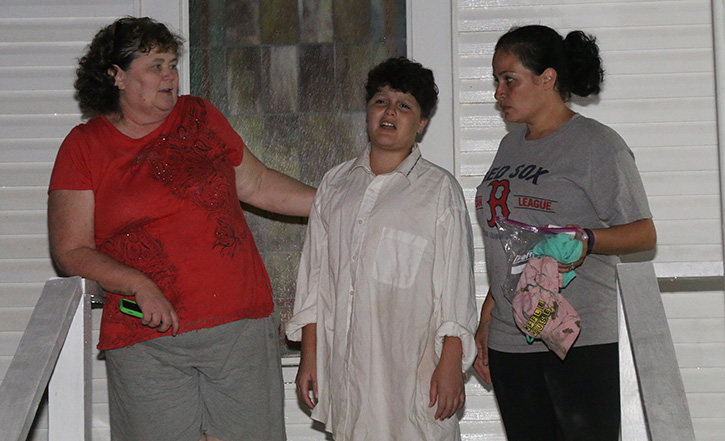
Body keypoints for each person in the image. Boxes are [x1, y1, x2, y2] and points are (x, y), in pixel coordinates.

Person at [47, 17, 315, 441]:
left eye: (172, 64)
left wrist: (339, 203)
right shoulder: (84, 146)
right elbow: (71, 250)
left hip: (238, 325)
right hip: (148, 337)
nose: (170, 75)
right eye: (155, 66)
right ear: (117, 75)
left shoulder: (200, 116)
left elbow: (258, 184)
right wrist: (137, 283)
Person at [472, 25, 657, 441]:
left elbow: (644, 234)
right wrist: (487, 318)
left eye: (509, 80)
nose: (499, 93)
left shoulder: (597, 145)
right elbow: (507, 242)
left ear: (547, 78)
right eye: (496, 81)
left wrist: (587, 239)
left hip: (579, 337)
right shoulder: (509, 148)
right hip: (510, 339)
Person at [285, 57, 478, 441]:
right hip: (348, 371)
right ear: (368, 112)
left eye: (404, 105)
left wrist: (452, 364)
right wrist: (310, 354)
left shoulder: (439, 191)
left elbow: (456, 285)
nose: (390, 112)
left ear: (421, 123)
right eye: (381, 101)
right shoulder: (336, 185)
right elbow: (315, 279)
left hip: (412, 369)